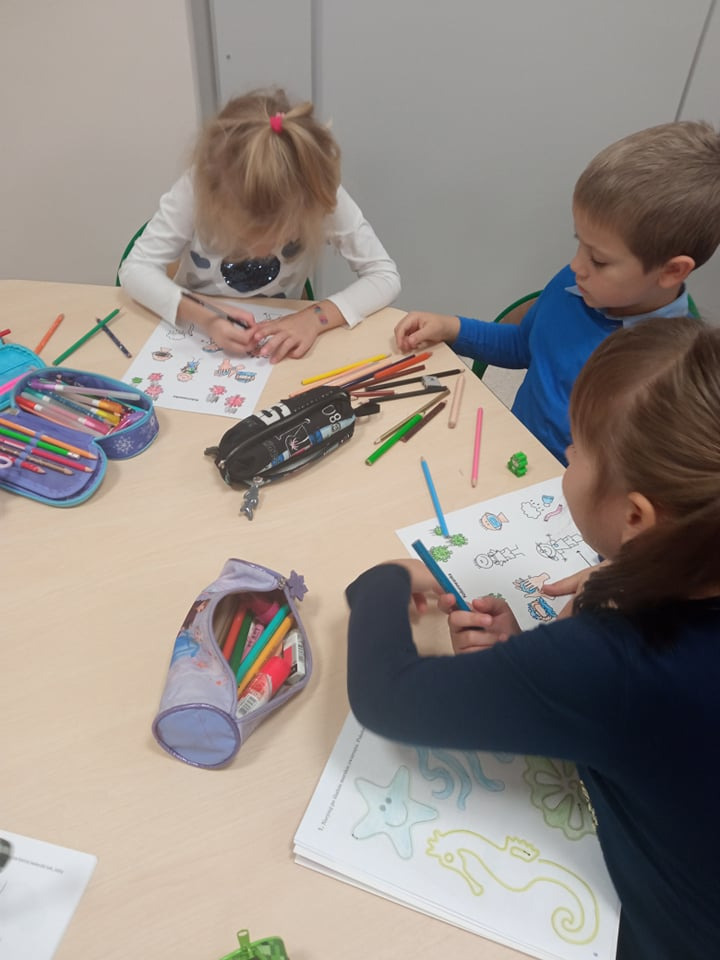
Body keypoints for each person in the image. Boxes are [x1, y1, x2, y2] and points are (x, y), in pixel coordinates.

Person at [345, 315, 720, 960]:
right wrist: (593, 599)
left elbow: (386, 697)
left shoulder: (613, 660)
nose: (567, 456)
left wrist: (380, 582)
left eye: (578, 449)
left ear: (636, 516)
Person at [394, 121, 720, 463]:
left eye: (598, 259)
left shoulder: (675, 370)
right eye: (580, 243)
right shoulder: (575, 285)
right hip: (513, 454)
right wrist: (451, 328)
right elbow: (524, 345)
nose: (576, 265)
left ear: (671, 271)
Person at [119, 88, 400, 362]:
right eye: (242, 238)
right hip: (194, 333)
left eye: (280, 236)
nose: (259, 253)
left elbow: (384, 276)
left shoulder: (319, 195)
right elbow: (135, 269)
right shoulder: (198, 187)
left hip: (274, 344)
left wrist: (314, 318)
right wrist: (204, 316)